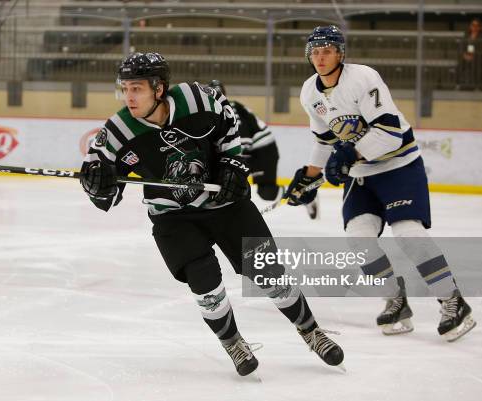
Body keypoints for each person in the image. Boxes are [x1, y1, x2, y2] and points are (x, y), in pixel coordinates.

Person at [79, 52, 344, 376]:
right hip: (173, 216)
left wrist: (233, 164)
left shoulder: (197, 99)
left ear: (159, 89)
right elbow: (102, 191)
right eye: (125, 89)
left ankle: (311, 331)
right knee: (204, 280)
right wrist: (98, 185)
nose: (129, 97)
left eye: (137, 89)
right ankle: (233, 341)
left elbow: (230, 126)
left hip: (226, 204)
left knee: (268, 272)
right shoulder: (118, 131)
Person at [284, 26, 476, 341]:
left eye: (327, 50)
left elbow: (390, 132)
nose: (321, 57)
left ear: (340, 53)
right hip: (361, 175)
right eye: (315, 51)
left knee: (407, 233)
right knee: (359, 240)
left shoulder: (363, 78)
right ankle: (395, 300)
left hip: (398, 165)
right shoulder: (309, 92)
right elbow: (324, 138)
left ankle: (453, 301)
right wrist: (309, 175)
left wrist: (348, 153)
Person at [206, 79, 319, 219]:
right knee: (263, 192)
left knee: (265, 191)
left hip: (263, 150)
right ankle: (300, 193)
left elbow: (242, 139)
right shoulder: (215, 112)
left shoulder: (230, 109)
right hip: (253, 152)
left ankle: (303, 194)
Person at [456, 18, 482, 90]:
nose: (475, 27)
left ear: (480, 27)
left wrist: (473, 55)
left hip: (479, 58)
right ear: (470, 26)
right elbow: (461, 46)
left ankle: (476, 85)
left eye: (477, 25)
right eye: (473, 25)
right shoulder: (466, 35)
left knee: (475, 64)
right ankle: (460, 84)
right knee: (460, 65)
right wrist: (464, 55)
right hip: (467, 57)